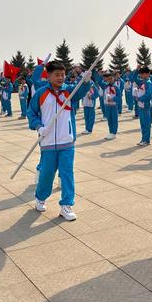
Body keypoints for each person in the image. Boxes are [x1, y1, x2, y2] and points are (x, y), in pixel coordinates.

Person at [27, 60, 91, 221]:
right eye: (57, 75)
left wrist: (86, 80)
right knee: (47, 174)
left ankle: (66, 205)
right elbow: (31, 113)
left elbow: (81, 91)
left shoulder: (69, 91)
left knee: (67, 173)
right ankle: (40, 197)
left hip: (66, 141)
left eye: (62, 75)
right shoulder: (41, 93)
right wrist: (38, 126)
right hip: (47, 142)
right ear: (48, 76)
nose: (60, 78)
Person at [133, 66, 152, 146]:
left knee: (146, 124)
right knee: (142, 124)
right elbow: (134, 78)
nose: (142, 75)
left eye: (144, 73)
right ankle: (143, 139)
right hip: (141, 106)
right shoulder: (142, 82)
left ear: (148, 74)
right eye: (141, 73)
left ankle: (146, 140)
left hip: (146, 106)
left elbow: (149, 95)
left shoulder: (149, 83)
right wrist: (136, 70)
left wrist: (139, 98)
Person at [98, 71, 120, 140]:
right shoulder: (105, 86)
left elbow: (119, 97)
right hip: (107, 105)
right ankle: (110, 132)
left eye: (111, 78)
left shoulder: (116, 87)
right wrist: (100, 75)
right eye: (108, 79)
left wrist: (113, 99)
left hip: (113, 105)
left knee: (114, 119)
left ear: (114, 78)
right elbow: (99, 82)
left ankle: (114, 133)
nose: (110, 80)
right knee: (109, 119)